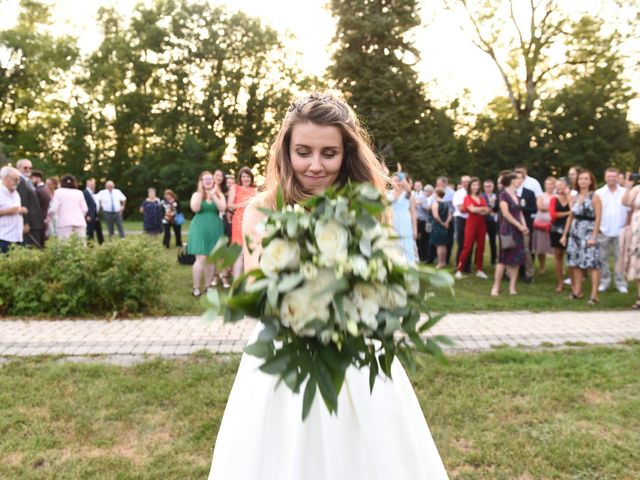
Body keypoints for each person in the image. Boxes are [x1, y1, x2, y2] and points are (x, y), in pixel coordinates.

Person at [208, 92, 448, 479]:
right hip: (285, 351)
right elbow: (259, 288)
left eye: (329, 154)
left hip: (355, 349)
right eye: (303, 151)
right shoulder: (261, 210)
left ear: (346, 154)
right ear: (285, 150)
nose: (315, 165)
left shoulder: (367, 205)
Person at [561, 169, 602, 305]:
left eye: (586, 179)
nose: (583, 181)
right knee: (576, 263)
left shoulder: (595, 197)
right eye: (581, 179)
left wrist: (594, 236)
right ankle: (577, 292)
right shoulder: (574, 197)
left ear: (591, 181)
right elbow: (571, 216)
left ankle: (594, 295)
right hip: (575, 232)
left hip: (589, 231)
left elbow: (598, 218)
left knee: (593, 264)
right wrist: (565, 234)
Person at [188, 171, 226, 297]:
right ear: (201, 181)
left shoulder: (219, 194)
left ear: (214, 181)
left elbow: (222, 208)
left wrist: (213, 194)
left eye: (210, 179)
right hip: (199, 228)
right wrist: (201, 192)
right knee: (201, 258)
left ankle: (208, 286)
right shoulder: (196, 194)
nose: (208, 181)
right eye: (205, 179)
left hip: (215, 228)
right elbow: (195, 208)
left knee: (211, 259)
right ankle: (196, 287)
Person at [491, 172, 528, 296]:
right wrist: (519, 225)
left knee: (516, 259)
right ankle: (496, 286)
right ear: (512, 180)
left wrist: (524, 226)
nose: (520, 181)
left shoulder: (517, 195)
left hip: (518, 229)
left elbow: (520, 213)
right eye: (518, 179)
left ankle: (512, 287)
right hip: (507, 229)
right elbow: (506, 213)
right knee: (503, 259)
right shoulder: (503, 195)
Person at [595, 168, 629, 293]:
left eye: (614, 176)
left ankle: (620, 283)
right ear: (605, 177)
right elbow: (596, 212)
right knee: (602, 258)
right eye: (609, 176)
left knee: (619, 259)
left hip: (620, 231)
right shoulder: (599, 193)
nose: (611, 179)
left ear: (618, 177)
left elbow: (629, 211)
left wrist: (627, 227)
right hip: (603, 230)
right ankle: (604, 282)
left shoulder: (625, 192)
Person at [455, 177, 490, 279]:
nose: (475, 187)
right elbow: (472, 209)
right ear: (470, 186)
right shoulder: (467, 198)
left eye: (477, 185)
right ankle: (459, 270)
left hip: (482, 225)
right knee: (467, 247)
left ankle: (479, 269)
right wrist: (482, 209)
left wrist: (480, 209)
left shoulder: (482, 198)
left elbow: (488, 211)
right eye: (473, 185)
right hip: (471, 224)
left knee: (480, 247)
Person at [227, 167, 257, 278]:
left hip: (252, 221)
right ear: (240, 178)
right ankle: (236, 281)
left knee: (249, 252)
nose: (245, 178)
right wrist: (243, 205)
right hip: (238, 222)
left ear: (251, 178)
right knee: (239, 252)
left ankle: (249, 281)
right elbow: (229, 205)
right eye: (243, 176)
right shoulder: (235, 187)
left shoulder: (255, 190)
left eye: (248, 176)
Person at [48, 174, 88, 241]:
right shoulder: (79, 193)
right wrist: (79, 217)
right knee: (81, 245)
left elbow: (53, 209)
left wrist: (51, 218)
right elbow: (85, 209)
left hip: (64, 222)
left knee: (64, 245)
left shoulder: (58, 192)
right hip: (79, 221)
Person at [388, 173, 417, 264]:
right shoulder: (388, 193)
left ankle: (408, 264)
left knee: (405, 242)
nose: (396, 182)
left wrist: (415, 229)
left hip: (405, 221)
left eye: (398, 180)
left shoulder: (408, 195)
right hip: (392, 221)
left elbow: (413, 213)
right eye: (394, 180)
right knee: (394, 242)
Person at [16, 158, 45, 248]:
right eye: (25, 167)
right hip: (30, 223)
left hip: (35, 222)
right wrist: (25, 223)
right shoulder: (20, 181)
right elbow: (22, 203)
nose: (28, 170)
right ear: (18, 168)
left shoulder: (27, 181)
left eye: (30, 168)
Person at [621, 172, 640, 309]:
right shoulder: (637, 189)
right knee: (638, 264)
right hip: (637, 230)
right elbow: (625, 202)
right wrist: (628, 187)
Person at [514, 168, 537, 282]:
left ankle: (528, 273)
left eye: (520, 178)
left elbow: (534, 209)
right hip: (511, 225)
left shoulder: (529, 193)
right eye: (515, 178)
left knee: (526, 250)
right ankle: (511, 273)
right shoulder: (509, 192)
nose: (517, 180)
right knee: (512, 248)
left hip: (525, 225)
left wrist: (522, 208)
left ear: (523, 180)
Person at [549, 177, 571, 292]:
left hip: (570, 230)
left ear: (567, 186)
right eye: (557, 185)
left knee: (571, 257)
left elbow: (575, 211)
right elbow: (553, 215)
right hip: (556, 230)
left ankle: (573, 281)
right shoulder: (554, 199)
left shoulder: (571, 198)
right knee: (558, 257)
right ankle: (560, 282)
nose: (558, 187)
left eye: (561, 185)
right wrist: (568, 213)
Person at [531, 176, 556, 273]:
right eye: (547, 184)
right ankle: (542, 266)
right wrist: (552, 208)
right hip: (541, 223)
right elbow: (540, 207)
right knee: (541, 246)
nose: (549, 186)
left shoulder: (557, 196)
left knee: (555, 245)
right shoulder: (541, 195)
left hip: (553, 223)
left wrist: (549, 208)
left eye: (551, 184)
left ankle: (558, 266)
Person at [0, 166, 26, 253]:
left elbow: (16, 209)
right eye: (16, 179)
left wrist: (21, 210)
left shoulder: (15, 193)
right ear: (6, 178)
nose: (18, 182)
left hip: (17, 237)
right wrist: (10, 211)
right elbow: (13, 210)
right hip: (3, 237)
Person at [452, 175, 470, 272]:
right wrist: (472, 208)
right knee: (461, 243)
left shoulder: (473, 193)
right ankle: (459, 265)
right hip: (461, 219)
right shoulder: (458, 193)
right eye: (464, 182)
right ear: (461, 183)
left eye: (468, 181)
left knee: (469, 243)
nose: (466, 183)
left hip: (471, 220)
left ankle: (467, 265)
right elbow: (460, 208)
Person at [430, 187, 451, 268]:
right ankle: (444, 261)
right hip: (445, 226)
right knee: (443, 245)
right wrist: (447, 223)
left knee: (439, 245)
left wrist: (442, 223)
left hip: (437, 227)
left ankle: (441, 262)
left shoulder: (435, 203)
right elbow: (450, 215)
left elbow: (435, 216)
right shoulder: (446, 204)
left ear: (436, 194)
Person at [436, 176, 455, 264]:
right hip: (437, 219)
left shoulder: (451, 193)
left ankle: (446, 259)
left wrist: (447, 221)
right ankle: (439, 258)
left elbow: (452, 207)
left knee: (448, 239)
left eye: (439, 183)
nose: (437, 184)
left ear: (444, 183)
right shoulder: (436, 192)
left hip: (448, 219)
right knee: (438, 240)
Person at [30, 169, 51, 240]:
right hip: (45, 218)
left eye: (32, 178)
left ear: (37, 178)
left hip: (39, 220)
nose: (31, 180)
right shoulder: (45, 188)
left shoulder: (38, 190)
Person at [481, 179, 498, 265]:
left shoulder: (495, 196)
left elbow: (496, 209)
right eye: (486, 186)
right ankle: (479, 259)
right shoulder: (481, 196)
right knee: (480, 241)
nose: (487, 188)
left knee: (493, 240)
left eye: (489, 186)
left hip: (492, 221)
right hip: (482, 220)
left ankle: (494, 259)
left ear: (493, 187)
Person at [416, 184, 434, 263]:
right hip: (422, 221)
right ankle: (423, 256)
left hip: (420, 220)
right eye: (431, 193)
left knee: (421, 239)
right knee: (424, 239)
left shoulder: (420, 197)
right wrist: (434, 206)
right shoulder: (423, 198)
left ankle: (421, 255)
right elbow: (426, 208)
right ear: (429, 191)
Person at [83, 178, 104, 244]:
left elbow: (93, 205)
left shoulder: (91, 193)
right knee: (89, 232)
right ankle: (90, 245)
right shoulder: (85, 193)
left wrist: (96, 215)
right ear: (89, 183)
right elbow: (84, 205)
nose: (94, 185)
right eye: (93, 183)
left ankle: (102, 244)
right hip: (89, 216)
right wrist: (86, 215)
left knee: (99, 231)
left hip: (94, 216)